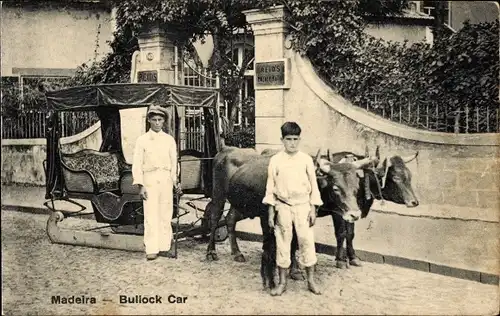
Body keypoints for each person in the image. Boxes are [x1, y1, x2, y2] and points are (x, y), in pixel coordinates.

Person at [263, 122, 323, 296]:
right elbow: (270, 186)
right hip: (283, 206)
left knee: (306, 242)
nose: (292, 143)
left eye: (296, 139)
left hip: (303, 206)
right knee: (283, 243)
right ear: (282, 140)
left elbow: (314, 186)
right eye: (288, 139)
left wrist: (313, 209)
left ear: (300, 139)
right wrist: (271, 211)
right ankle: (282, 283)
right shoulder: (275, 160)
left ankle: (311, 280)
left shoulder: (306, 160)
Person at [132, 105, 182, 261]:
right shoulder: (142, 140)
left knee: (165, 213)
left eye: (160, 120)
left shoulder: (169, 140)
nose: (157, 123)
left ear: (164, 121)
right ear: (149, 120)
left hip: (166, 178)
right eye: (154, 120)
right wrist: (141, 185)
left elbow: (174, 163)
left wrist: (175, 181)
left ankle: (164, 246)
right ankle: (152, 248)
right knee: (151, 214)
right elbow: (137, 164)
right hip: (150, 179)